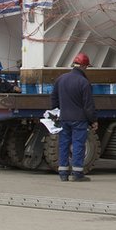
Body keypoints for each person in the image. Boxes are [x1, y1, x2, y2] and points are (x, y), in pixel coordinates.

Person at [49, 52, 97, 181]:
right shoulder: (84, 82)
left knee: (63, 144)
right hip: (79, 120)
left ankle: (63, 174)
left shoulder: (61, 79)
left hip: (64, 118)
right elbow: (88, 106)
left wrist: (57, 112)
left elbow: (53, 98)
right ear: (84, 66)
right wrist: (93, 121)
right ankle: (77, 174)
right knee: (78, 145)